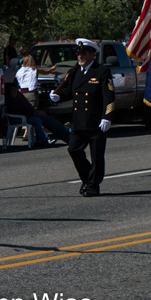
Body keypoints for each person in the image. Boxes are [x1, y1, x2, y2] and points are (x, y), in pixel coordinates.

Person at [49, 39, 115, 197]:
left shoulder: (102, 71)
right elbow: (69, 92)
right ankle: (87, 179)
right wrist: (57, 97)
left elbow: (109, 97)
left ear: (92, 54)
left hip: (95, 121)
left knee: (97, 156)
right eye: (78, 53)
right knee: (73, 149)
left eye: (83, 53)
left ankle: (93, 186)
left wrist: (107, 117)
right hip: (79, 121)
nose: (80, 56)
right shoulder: (74, 71)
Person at [5, 82, 69, 147]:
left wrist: (32, 111)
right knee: (36, 120)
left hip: (29, 115)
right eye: (13, 90)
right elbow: (19, 110)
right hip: (19, 118)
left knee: (48, 120)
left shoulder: (20, 96)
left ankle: (68, 135)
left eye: (15, 89)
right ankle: (42, 139)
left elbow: (28, 106)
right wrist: (30, 112)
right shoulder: (10, 100)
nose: (15, 91)